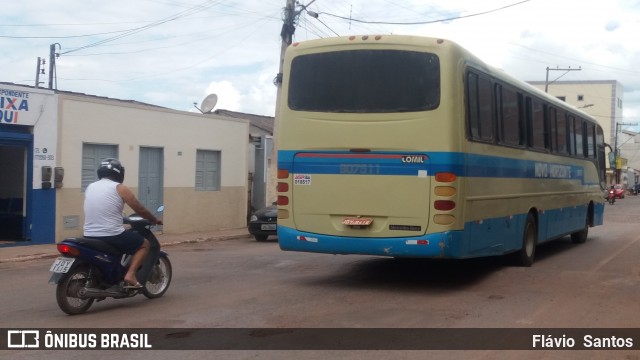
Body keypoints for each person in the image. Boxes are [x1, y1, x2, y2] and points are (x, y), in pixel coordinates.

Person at [83, 158, 162, 288]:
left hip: (89, 234)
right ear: (119, 173)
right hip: (111, 235)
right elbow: (139, 209)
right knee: (144, 244)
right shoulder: (119, 188)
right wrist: (153, 219)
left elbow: (102, 207)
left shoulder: (90, 187)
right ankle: (130, 274)